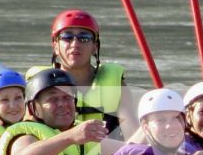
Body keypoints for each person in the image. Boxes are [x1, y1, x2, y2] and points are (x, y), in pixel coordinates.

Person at [44, 9, 139, 142]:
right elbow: (27, 131)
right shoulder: (40, 85)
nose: (75, 44)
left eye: (84, 38)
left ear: (95, 46)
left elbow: (133, 136)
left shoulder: (115, 84)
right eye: (67, 37)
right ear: (55, 45)